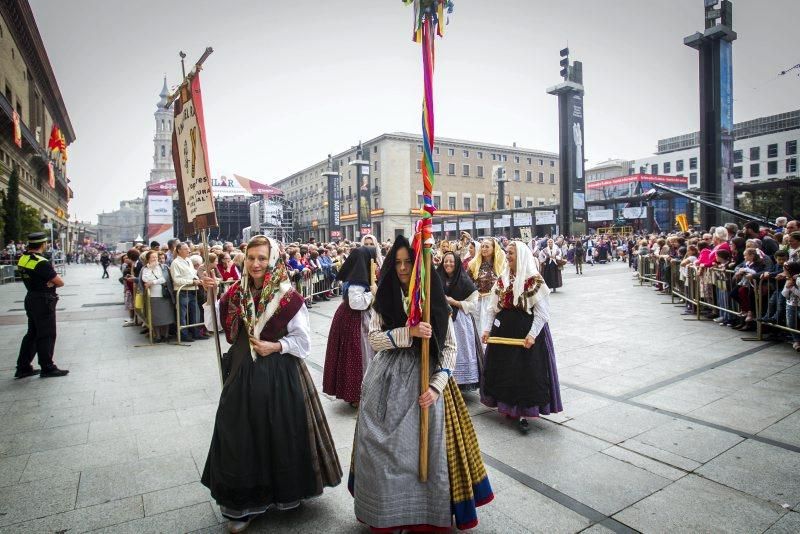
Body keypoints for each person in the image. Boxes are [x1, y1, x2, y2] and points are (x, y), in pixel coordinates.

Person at [350, 236, 493, 532]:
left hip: (428, 379)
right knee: (380, 447)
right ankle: (388, 511)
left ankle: (424, 513)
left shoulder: (433, 296)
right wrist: (409, 332)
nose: (403, 269)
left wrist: (437, 385)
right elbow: (375, 339)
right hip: (387, 380)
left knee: (430, 451)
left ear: (418, 265)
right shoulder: (384, 296)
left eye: (408, 263)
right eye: (398, 262)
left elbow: (450, 347)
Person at [201, 235, 342, 533]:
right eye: (251, 258)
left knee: (280, 433)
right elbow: (213, 326)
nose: (255, 264)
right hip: (242, 373)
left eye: (262, 258)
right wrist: (210, 296)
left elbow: (303, 343)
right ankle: (242, 503)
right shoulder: (235, 294)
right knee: (238, 435)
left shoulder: (287, 297)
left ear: (273, 260)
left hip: (279, 375)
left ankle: (283, 493)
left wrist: (275, 347)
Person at [481, 241, 562, 434]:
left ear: (522, 256)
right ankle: (508, 407)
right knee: (506, 371)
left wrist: (532, 335)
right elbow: (493, 308)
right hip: (504, 336)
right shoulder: (503, 279)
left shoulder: (534, 280)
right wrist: (486, 330)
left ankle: (524, 412)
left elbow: (542, 313)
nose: (507, 256)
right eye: (507, 253)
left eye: (511, 253)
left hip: (526, 337)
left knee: (524, 373)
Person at [322, 247, 377, 407]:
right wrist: (372, 294)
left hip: (353, 318)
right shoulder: (357, 280)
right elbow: (356, 302)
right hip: (354, 320)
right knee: (358, 356)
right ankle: (356, 394)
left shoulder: (357, 275)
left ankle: (359, 393)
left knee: (359, 355)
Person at [15, 232, 69, 378]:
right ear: (43, 244)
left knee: (32, 334)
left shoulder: (23, 259)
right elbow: (60, 282)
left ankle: (23, 366)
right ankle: (48, 367)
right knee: (46, 334)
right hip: (44, 300)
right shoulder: (41, 262)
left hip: (31, 297)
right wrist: (51, 281)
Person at [437, 251, 482, 391]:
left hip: (460, 322)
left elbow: (474, 305)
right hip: (442, 320)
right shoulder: (438, 278)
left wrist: (454, 302)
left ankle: (460, 383)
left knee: (459, 350)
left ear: (457, 264)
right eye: (446, 261)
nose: (448, 264)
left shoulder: (464, 280)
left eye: (451, 261)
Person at [468, 238, 506, 350]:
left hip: (494, 302)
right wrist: (474, 292)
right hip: (478, 302)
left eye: (487, 246)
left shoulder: (501, 264)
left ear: (494, 248)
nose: (484, 249)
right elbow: (466, 282)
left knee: (492, 329)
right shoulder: (473, 264)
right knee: (478, 329)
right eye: (482, 246)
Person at [170, 243, 209, 342]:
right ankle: (183, 334)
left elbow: (192, 273)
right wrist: (191, 282)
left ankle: (196, 332)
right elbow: (176, 279)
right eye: (186, 249)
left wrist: (198, 279)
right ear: (179, 250)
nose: (189, 251)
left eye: (188, 249)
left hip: (192, 290)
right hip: (183, 291)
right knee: (182, 315)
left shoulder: (188, 260)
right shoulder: (175, 263)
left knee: (195, 312)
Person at [141, 250, 175, 343]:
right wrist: (151, 269)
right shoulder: (145, 269)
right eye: (153, 257)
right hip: (153, 295)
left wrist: (152, 282)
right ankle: (158, 336)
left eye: (156, 257)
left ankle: (166, 335)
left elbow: (165, 279)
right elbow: (145, 279)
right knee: (156, 317)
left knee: (167, 316)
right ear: (148, 259)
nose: (155, 259)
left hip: (165, 294)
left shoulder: (163, 267)